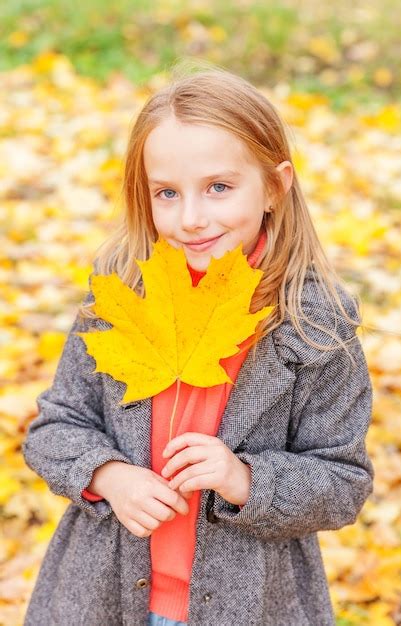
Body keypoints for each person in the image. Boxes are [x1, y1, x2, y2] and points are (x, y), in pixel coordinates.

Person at [22, 62, 375, 626]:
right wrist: (107, 475)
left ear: (275, 187)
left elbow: (343, 482)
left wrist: (245, 479)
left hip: (251, 608)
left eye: (218, 188)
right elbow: (53, 428)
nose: (191, 218)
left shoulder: (314, 327)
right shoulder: (123, 298)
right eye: (167, 192)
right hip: (103, 598)